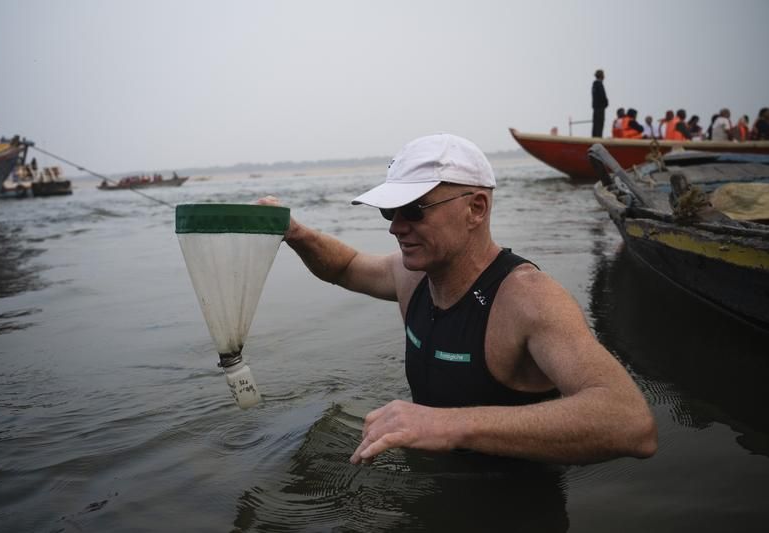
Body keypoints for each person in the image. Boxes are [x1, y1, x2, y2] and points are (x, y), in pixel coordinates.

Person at [259, 133, 657, 465]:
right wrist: (296, 234)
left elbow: (628, 422)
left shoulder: (528, 299)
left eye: (413, 210)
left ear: (476, 209)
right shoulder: (410, 276)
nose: (396, 227)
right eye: (389, 212)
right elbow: (345, 268)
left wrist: (447, 425)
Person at [591, 69, 608, 138]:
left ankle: (595, 137)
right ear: (601, 76)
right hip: (600, 108)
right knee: (599, 124)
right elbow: (602, 96)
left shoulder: (594, 85)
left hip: (596, 107)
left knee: (596, 124)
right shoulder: (599, 84)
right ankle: (598, 138)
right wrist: (605, 103)